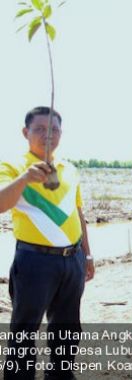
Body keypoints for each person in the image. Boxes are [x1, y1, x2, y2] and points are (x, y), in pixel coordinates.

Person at [0, 107, 95, 380]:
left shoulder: (69, 169)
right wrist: (25, 178)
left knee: (67, 328)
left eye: (53, 129)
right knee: (25, 330)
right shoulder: (13, 166)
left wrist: (87, 256)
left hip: (72, 259)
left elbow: (79, 214)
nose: (47, 135)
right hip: (34, 262)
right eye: (40, 129)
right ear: (25, 132)